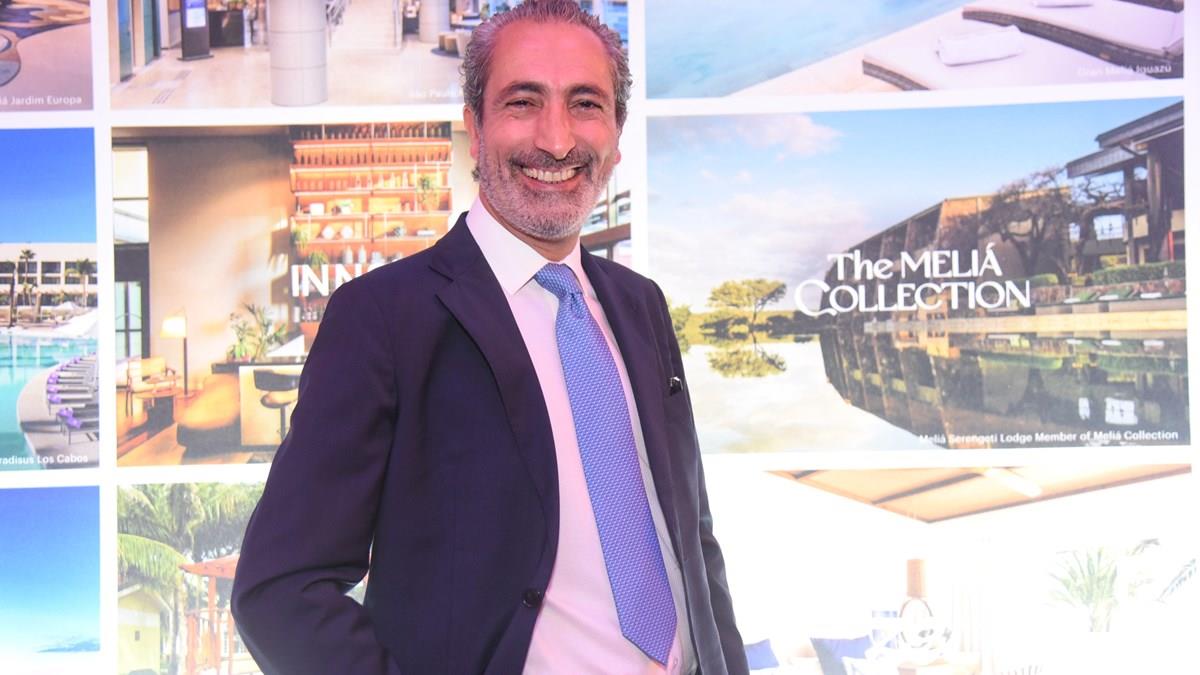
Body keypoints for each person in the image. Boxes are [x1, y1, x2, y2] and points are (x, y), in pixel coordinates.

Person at [230, 2, 747, 673]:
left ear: (617, 134)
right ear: (475, 128)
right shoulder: (383, 317)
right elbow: (280, 591)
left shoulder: (640, 305)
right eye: (523, 102)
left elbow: (694, 543)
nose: (556, 139)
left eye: (585, 104)